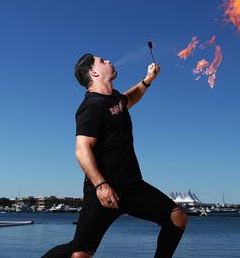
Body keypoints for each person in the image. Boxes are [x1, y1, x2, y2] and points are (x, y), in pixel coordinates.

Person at [43, 54, 187, 258]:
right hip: (104, 192)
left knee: (178, 217)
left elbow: (130, 98)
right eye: (102, 61)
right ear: (93, 72)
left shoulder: (115, 99)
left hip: (133, 187)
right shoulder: (91, 106)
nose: (109, 61)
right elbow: (81, 149)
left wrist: (148, 79)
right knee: (80, 253)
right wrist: (101, 185)